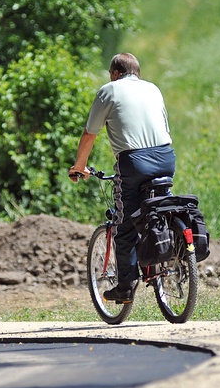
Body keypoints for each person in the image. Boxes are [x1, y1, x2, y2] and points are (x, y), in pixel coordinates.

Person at [69, 52, 175, 303]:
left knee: (124, 224)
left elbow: (89, 134)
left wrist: (79, 166)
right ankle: (169, 258)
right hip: (166, 157)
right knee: (156, 209)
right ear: (137, 72)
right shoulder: (154, 89)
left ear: (115, 73)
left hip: (134, 162)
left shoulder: (110, 90)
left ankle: (125, 286)